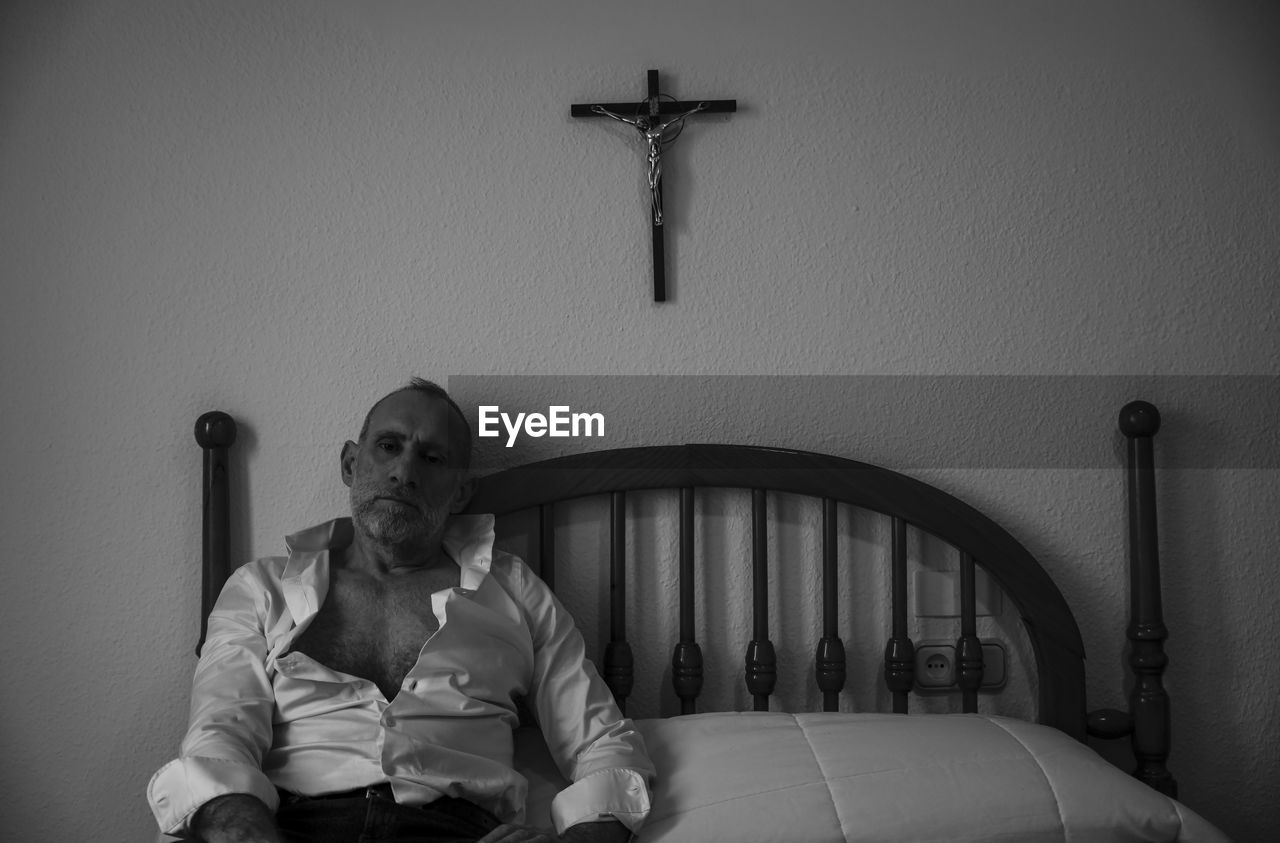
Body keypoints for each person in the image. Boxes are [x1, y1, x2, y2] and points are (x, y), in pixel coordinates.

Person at [149, 379, 653, 842]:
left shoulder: (515, 590)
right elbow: (220, 734)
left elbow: (604, 742)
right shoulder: (262, 588)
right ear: (350, 463)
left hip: (456, 828)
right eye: (388, 446)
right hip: (290, 826)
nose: (404, 473)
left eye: (432, 459)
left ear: (460, 492)